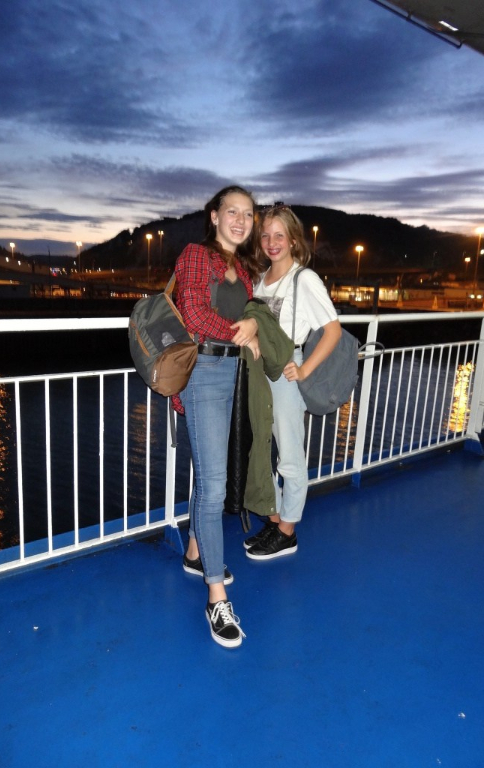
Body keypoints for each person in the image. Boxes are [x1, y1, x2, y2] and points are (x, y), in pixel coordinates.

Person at [173, 185, 261, 648]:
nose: (241, 220)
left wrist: (255, 326)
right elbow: (193, 312)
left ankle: (194, 552)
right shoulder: (195, 255)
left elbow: (254, 314)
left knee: (209, 476)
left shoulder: (244, 267)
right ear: (214, 216)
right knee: (214, 486)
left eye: (248, 214)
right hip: (204, 371)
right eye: (232, 211)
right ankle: (216, 598)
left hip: (233, 372)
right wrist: (242, 331)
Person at [245, 205, 342, 560]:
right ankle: (275, 519)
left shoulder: (304, 279)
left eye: (279, 236)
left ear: (293, 240)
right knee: (259, 449)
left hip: (287, 373)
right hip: (260, 373)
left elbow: (333, 331)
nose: (272, 242)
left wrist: (303, 370)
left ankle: (287, 531)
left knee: (288, 452)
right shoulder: (261, 279)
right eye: (266, 235)